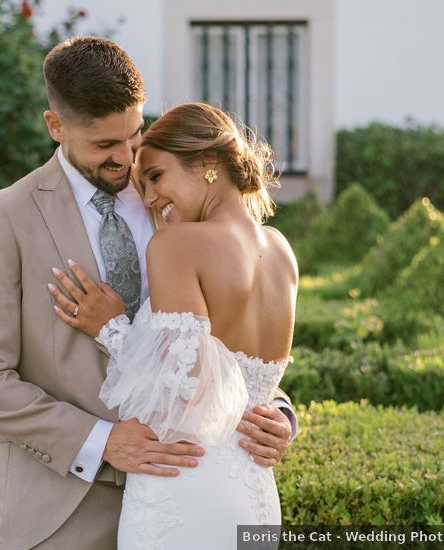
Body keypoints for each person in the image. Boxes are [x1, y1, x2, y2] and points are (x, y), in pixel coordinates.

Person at [0, 36, 297, 550]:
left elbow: (224, 345)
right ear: (56, 126)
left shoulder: (172, 201)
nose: (126, 160)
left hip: (185, 492)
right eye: (104, 145)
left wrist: (281, 415)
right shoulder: (6, 218)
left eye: (134, 136)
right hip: (64, 512)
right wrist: (103, 441)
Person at [47, 101, 298, 548]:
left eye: (156, 176)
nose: (148, 199)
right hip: (255, 493)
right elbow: (244, 378)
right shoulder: (282, 252)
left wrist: (110, 329)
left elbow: (186, 393)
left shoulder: (176, 245)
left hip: (183, 486)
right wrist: (283, 416)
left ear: (207, 163)